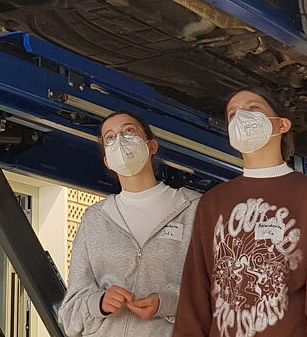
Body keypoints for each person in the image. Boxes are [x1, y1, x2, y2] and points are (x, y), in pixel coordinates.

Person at [173, 88, 307, 337]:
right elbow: (196, 288)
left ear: (282, 124)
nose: (241, 117)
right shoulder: (213, 201)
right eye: (233, 114)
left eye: (253, 108)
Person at [60, 112, 201, 337]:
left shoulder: (194, 208)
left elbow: (213, 291)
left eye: (129, 131)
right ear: (107, 159)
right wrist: (100, 302)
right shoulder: (95, 218)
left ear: (152, 146)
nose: (120, 140)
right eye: (110, 138)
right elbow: (69, 313)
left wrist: (167, 303)